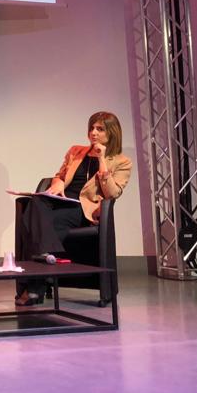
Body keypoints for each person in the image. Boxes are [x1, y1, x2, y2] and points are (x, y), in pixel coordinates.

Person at [14, 111, 131, 305]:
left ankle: (35, 288)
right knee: (35, 201)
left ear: (112, 132)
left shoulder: (122, 162)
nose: (93, 133)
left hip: (83, 209)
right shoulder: (76, 151)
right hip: (62, 200)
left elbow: (111, 193)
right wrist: (58, 182)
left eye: (100, 129)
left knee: (42, 224)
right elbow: (59, 175)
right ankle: (44, 256)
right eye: (91, 128)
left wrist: (102, 160)